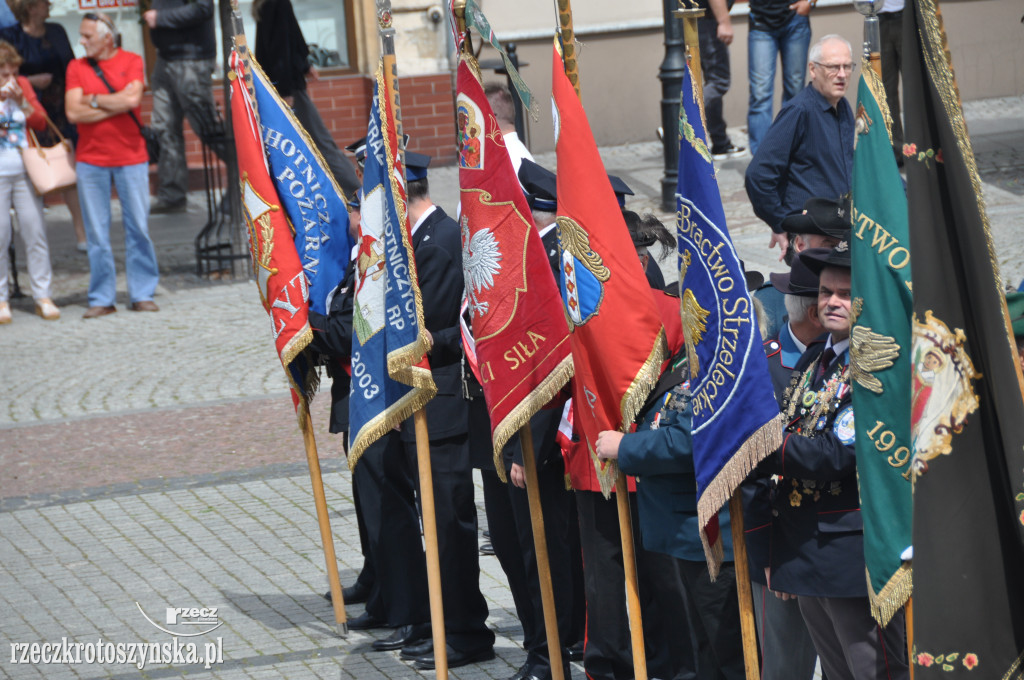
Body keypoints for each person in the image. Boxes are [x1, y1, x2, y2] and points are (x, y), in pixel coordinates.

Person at [747, 241, 909, 680]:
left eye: (845, 293)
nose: (832, 302)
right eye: (825, 292)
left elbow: (837, 455)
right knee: (836, 668)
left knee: (872, 668)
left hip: (846, 547)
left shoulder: (874, 364)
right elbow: (799, 426)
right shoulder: (818, 357)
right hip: (804, 541)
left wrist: (758, 443)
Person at [396, 152, 495, 671]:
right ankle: (445, 622)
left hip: (443, 406)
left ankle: (465, 630)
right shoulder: (423, 240)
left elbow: (434, 330)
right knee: (435, 525)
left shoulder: (435, 244)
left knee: (451, 526)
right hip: (427, 404)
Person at [594, 345, 746, 680]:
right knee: (705, 647)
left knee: (729, 650)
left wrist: (626, 447)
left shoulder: (719, 359)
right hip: (683, 529)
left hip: (709, 531)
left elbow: (691, 441)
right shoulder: (686, 356)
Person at [744, 250, 826, 680]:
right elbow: (753, 474)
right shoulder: (762, 366)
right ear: (815, 310)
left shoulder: (838, 363)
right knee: (786, 667)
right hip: (781, 550)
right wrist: (770, 554)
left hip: (838, 546)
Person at [66, 13, 159, 318]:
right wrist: (111, 101)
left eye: (87, 36)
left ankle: (142, 293)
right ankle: (101, 298)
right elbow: (72, 113)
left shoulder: (132, 59)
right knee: (96, 233)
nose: (81, 41)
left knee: (139, 229)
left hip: (132, 157)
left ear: (107, 37)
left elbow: (132, 101)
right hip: (91, 160)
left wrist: (91, 99)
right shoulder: (76, 66)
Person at [745, 35, 855, 259]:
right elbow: (758, 176)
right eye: (834, 67)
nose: (842, 74)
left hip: (840, 231)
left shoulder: (843, 107)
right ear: (813, 70)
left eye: (847, 66)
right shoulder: (799, 111)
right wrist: (779, 222)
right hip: (811, 237)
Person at [1, 0, 86, 250]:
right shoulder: (9, 35)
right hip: (24, 107)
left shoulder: (56, 31)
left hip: (58, 109)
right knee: (32, 169)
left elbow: (70, 64)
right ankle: (30, 234)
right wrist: (30, 81)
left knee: (67, 168)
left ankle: (82, 234)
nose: (49, 6)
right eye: (44, 3)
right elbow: (6, 71)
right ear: (31, 8)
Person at [253, 0, 360, 199]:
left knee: (304, 144)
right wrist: (286, 91)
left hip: (281, 87)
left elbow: (286, 41)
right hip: (288, 89)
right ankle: (358, 192)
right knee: (321, 144)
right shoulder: (277, 3)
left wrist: (305, 66)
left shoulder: (267, 4)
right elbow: (281, 48)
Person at [143, 0, 226, 214]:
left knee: (206, 127)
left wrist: (159, 18)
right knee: (164, 128)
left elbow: (202, 8)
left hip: (191, 60)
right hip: (165, 57)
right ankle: (172, 195)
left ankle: (245, 179)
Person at [0, 40, 58, 324]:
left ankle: (42, 295)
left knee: (35, 231)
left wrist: (21, 100)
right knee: (0, 236)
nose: (11, 79)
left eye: (13, 72)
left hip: (25, 169)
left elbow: (40, 121)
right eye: (4, 74)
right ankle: (1, 300)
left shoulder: (21, 85)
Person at [746, 0, 812, 155]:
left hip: (795, 19)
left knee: (795, 90)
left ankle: (791, 156)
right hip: (760, 21)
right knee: (760, 94)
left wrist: (810, 2)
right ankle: (761, 164)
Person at [699, 0, 745, 158]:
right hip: (706, 20)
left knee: (711, 83)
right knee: (719, 82)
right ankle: (677, 124)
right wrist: (724, 21)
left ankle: (720, 142)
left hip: (692, 20)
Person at [878, 0, 903, 164]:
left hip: (906, 16)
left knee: (915, 86)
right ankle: (896, 149)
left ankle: (922, 144)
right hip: (878, 17)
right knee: (885, 90)